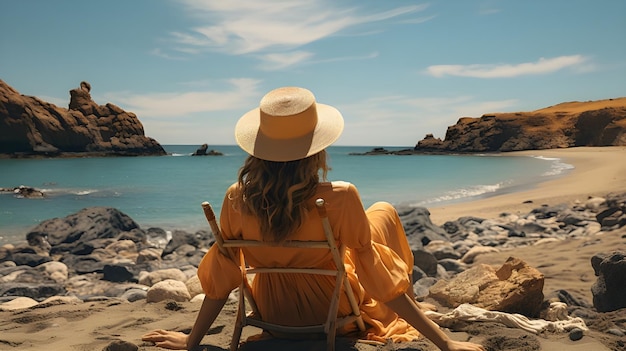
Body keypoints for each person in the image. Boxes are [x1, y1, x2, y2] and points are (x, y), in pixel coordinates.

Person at [142, 87, 485, 351]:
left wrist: (192, 341)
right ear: (317, 147)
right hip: (333, 313)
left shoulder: (237, 197)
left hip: (274, 315)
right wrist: (445, 343)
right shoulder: (340, 195)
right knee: (381, 217)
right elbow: (376, 278)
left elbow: (221, 279)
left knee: (367, 228)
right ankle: (409, 294)